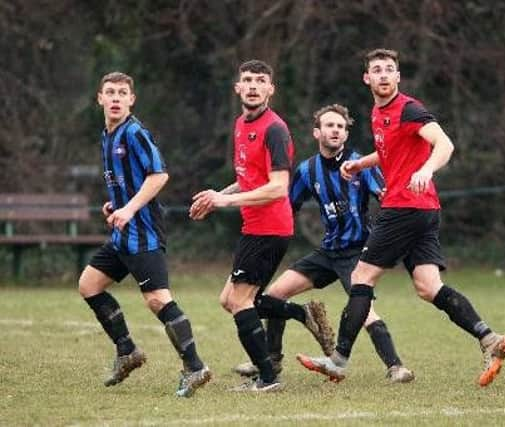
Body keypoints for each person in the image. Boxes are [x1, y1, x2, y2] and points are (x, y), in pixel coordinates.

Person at [297, 49, 505, 387]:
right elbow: (388, 153)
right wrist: (359, 164)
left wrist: (426, 169)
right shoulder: (378, 112)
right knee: (428, 287)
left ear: (398, 77)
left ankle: (338, 360)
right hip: (425, 211)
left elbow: (444, 144)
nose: (383, 75)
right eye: (377, 70)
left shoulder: (408, 109)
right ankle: (489, 339)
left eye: (390, 70)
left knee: (361, 278)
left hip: (403, 208)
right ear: (366, 78)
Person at [233, 104, 414, 383]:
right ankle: (272, 359)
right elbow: (286, 205)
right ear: (317, 132)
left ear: (346, 133)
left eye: (341, 127)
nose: (336, 130)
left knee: (364, 310)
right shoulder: (307, 170)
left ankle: (396, 366)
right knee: (274, 295)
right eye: (330, 125)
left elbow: (388, 201)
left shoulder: (359, 164)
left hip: (356, 253)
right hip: (327, 251)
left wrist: (389, 240)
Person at [189, 60, 332, 392]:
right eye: (247, 80)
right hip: (255, 227)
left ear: (271, 89)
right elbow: (249, 179)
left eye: (261, 80)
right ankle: (300, 314)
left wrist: (225, 202)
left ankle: (268, 377)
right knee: (231, 300)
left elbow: (278, 186)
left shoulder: (275, 129)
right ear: (238, 88)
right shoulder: (241, 124)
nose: (253, 85)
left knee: (240, 302)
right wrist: (217, 195)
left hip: (270, 228)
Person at [78, 72, 211, 398]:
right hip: (123, 232)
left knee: (157, 299)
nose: (115, 98)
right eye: (110, 92)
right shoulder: (107, 135)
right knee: (89, 285)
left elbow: (159, 176)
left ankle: (195, 368)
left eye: (122, 93)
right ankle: (127, 351)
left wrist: (130, 209)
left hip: (144, 232)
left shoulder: (135, 133)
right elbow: (125, 182)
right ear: (99, 98)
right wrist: (115, 206)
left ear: (131, 100)